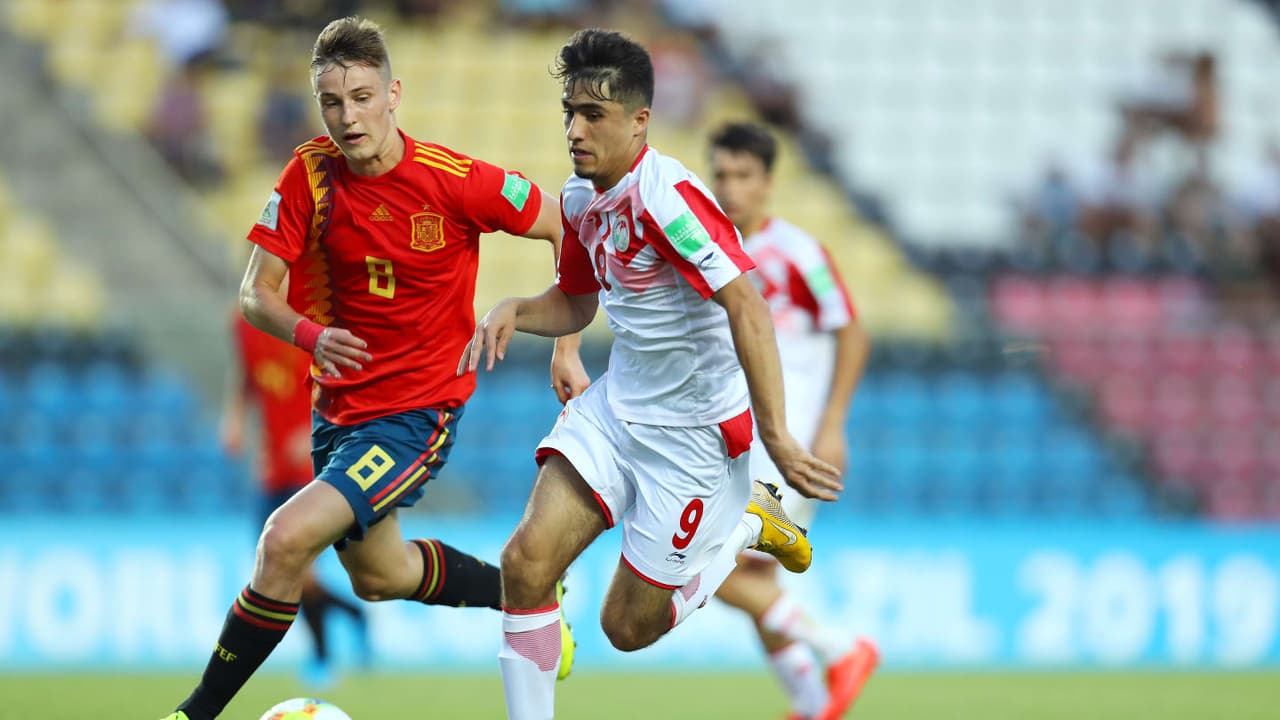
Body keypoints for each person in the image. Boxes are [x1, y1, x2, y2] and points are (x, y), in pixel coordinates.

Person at [160, 16, 568, 720]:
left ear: (394, 93)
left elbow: (562, 223)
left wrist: (564, 338)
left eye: (362, 96)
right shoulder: (309, 172)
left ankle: (192, 714)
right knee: (381, 575)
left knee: (284, 539)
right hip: (339, 412)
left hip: (417, 414)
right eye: (332, 101)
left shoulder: (457, 182)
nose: (348, 117)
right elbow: (256, 294)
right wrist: (311, 336)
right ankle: (527, 593)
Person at [458, 29, 843, 720]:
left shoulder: (668, 197)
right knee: (525, 563)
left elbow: (747, 304)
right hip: (616, 408)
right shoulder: (578, 199)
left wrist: (778, 439)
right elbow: (577, 298)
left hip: (692, 439)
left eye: (594, 115)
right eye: (569, 112)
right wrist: (520, 310)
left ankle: (747, 523)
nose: (576, 129)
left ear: (639, 121)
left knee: (625, 629)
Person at [706, 122, 877, 720]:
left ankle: (842, 649)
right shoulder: (708, 252)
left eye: (743, 176)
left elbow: (852, 332)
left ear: (768, 183)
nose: (730, 188)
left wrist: (833, 425)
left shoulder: (798, 252)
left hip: (789, 444)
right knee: (753, 584)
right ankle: (810, 704)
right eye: (721, 174)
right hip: (739, 443)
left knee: (705, 567)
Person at [220, 310, 370, 688]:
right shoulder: (244, 322)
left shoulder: (318, 317)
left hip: (309, 464)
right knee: (276, 571)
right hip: (269, 468)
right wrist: (235, 418)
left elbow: (348, 384)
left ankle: (322, 658)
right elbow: (246, 375)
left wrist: (312, 431)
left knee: (297, 571)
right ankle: (351, 615)